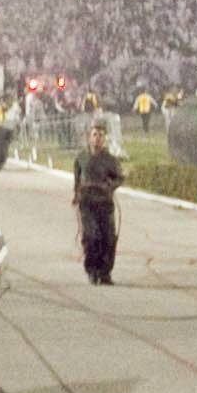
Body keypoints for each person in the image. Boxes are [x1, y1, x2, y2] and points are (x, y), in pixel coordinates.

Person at [72, 122, 125, 286]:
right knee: (92, 237)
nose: (98, 138)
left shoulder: (110, 160)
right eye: (95, 135)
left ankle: (105, 272)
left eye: (101, 135)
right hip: (87, 203)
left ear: (105, 139)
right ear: (89, 137)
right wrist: (76, 195)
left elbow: (119, 178)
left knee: (108, 238)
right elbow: (77, 178)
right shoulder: (81, 158)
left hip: (104, 203)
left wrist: (109, 186)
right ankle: (92, 271)